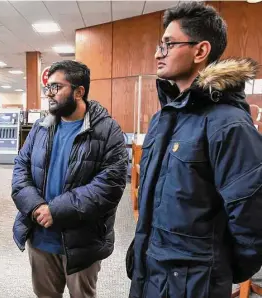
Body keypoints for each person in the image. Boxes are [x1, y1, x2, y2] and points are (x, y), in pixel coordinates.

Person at [129, 2, 262, 297]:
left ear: (200, 51)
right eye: (159, 45)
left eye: (168, 44)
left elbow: (253, 218)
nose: (157, 54)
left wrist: (221, 268)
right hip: (151, 270)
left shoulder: (228, 124)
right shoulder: (165, 117)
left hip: (194, 284)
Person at [11, 60, 128, 297]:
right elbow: (20, 168)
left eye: (56, 87)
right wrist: (35, 207)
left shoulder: (108, 131)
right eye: (48, 88)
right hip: (40, 238)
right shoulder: (40, 127)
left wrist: (56, 210)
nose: (49, 94)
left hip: (82, 242)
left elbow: (110, 185)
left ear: (79, 91)